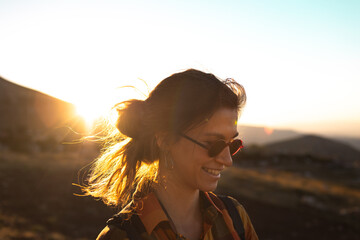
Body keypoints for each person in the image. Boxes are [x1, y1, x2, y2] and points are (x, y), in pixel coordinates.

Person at [83, 69, 258, 240]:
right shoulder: (122, 236)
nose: (227, 160)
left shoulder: (235, 218)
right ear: (165, 140)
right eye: (214, 144)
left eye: (232, 144)